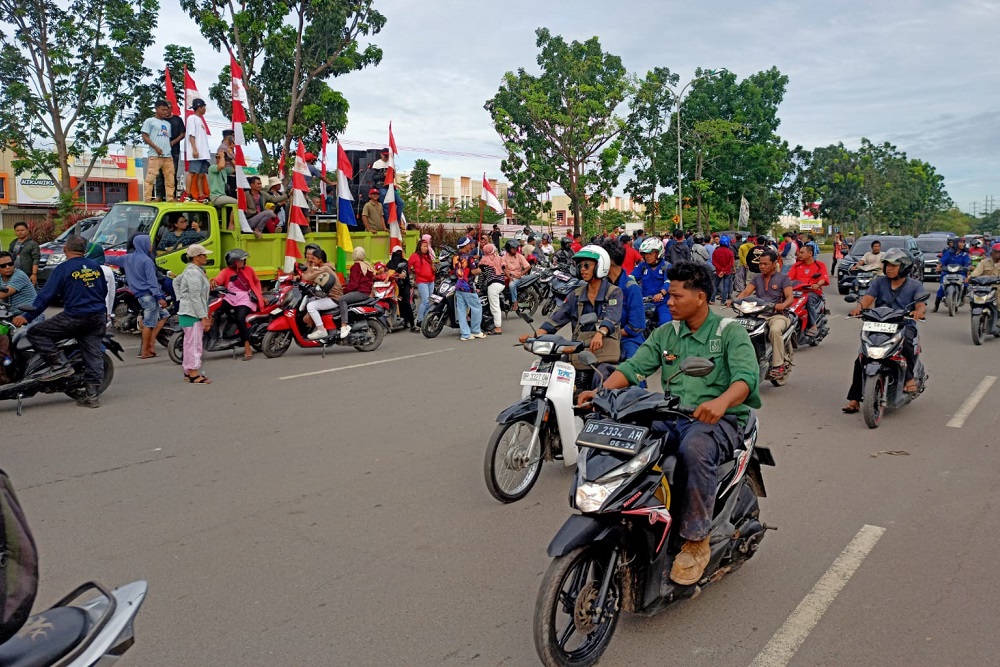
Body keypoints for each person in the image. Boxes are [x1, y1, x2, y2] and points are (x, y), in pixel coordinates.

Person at [578, 260, 760, 585]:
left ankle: (695, 539)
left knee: (694, 449)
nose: (669, 301)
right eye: (669, 295)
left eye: (676, 296)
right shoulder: (666, 333)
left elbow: (746, 378)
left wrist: (720, 402)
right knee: (627, 439)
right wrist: (601, 391)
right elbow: (634, 368)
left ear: (701, 297)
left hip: (720, 421)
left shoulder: (729, 332)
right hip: (672, 414)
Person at [12, 236, 108, 407]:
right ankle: (92, 397)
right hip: (97, 316)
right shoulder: (95, 266)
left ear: (65, 249)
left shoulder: (63, 269)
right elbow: (103, 290)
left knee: (36, 332)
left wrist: (26, 317)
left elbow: (45, 297)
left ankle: (60, 365)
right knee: (93, 354)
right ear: (84, 250)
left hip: (75, 317)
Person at [842, 248, 926, 413]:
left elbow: (921, 304)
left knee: (907, 342)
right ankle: (854, 399)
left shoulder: (915, 285)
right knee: (862, 357)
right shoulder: (879, 282)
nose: (889, 268)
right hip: (878, 323)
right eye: (887, 265)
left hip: (903, 325)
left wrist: (918, 312)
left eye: (894, 265)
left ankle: (908, 377)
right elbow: (868, 298)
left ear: (904, 267)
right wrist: (858, 308)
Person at [521, 245, 623, 368]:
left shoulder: (614, 292)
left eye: (586, 265)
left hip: (603, 353)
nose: (582, 270)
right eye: (580, 266)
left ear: (600, 266)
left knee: (602, 378)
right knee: (553, 369)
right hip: (579, 350)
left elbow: (612, 316)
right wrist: (534, 336)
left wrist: (600, 333)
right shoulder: (575, 295)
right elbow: (556, 319)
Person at [106, 234, 168, 359]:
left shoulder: (127, 258)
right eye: (149, 243)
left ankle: (151, 344)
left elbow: (109, 259)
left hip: (139, 296)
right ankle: (145, 352)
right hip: (149, 296)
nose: (151, 245)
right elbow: (152, 282)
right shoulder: (147, 261)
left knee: (164, 315)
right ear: (143, 244)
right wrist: (160, 297)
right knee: (149, 324)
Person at [735, 250, 794, 377]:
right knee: (735, 328)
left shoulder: (783, 279)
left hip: (778, 315)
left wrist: (782, 305)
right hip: (757, 314)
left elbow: (790, 297)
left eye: (765, 264)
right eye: (760, 264)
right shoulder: (756, 278)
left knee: (774, 330)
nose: (762, 266)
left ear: (774, 264)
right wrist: (735, 301)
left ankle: (778, 365)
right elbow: (745, 293)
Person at [211, 249, 264, 359]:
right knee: (216, 312)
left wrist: (259, 294)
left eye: (243, 260)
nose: (244, 261)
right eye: (241, 260)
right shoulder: (225, 272)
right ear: (233, 262)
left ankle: (247, 345)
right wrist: (213, 282)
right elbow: (217, 280)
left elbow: (256, 282)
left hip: (245, 298)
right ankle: (217, 337)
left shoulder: (249, 270)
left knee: (240, 318)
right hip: (230, 297)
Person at [173, 244, 213, 384]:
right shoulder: (193, 273)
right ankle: (194, 373)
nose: (206, 257)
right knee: (194, 344)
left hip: (189, 311)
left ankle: (188, 371)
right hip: (193, 313)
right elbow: (196, 297)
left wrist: (181, 299)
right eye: (204, 255)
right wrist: (204, 317)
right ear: (197, 257)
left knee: (189, 343)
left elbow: (175, 282)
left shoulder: (191, 270)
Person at [601, 239, 645, 360]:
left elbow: (636, 326)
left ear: (609, 262)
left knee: (631, 371)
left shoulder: (631, 288)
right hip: (605, 336)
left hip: (628, 340)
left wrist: (607, 333)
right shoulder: (602, 285)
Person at [786, 244, 830, 335]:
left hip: (813, 292)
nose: (799, 255)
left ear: (810, 253)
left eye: (802, 253)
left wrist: (817, 284)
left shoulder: (819, 265)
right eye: (799, 253)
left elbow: (823, 278)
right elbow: (788, 278)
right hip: (797, 292)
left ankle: (813, 326)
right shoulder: (796, 265)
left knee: (809, 299)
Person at [302, 247, 345, 340]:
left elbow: (308, 277)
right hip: (328, 296)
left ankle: (321, 330)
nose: (311, 261)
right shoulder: (324, 267)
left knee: (311, 306)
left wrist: (298, 275)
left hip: (334, 298)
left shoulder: (325, 268)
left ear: (320, 259)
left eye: (313, 259)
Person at [336, 246, 376, 339]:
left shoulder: (356, 267)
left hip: (361, 292)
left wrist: (343, 291)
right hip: (365, 292)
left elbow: (354, 284)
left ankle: (344, 325)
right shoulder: (366, 265)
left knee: (342, 300)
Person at [631, 236, 672, 327]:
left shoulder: (666, 266)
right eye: (645, 254)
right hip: (645, 303)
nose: (647, 256)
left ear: (658, 253)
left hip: (662, 303)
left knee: (666, 322)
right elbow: (631, 278)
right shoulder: (642, 266)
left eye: (650, 253)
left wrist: (661, 293)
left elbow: (668, 282)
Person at [141, 100, 176, 202]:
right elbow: (145, 136)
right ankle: (147, 197)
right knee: (151, 176)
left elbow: (167, 138)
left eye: (167, 110)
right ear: (156, 109)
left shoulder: (167, 124)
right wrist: (156, 147)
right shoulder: (149, 121)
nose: (165, 112)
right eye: (163, 110)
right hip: (155, 154)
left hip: (167, 155)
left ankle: (170, 197)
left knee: (170, 177)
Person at [451, 237, 484, 341]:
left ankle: (465, 334)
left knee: (461, 310)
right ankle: (476, 330)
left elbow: (454, 270)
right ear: (466, 245)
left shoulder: (455, 257)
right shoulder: (469, 257)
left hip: (458, 285)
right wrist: (479, 269)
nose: (472, 245)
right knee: (477, 307)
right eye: (470, 244)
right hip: (468, 286)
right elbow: (473, 272)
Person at [184, 98, 211, 202]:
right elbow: (191, 134)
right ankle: (188, 194)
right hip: (197, 153)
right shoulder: (192, 118)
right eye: (204, 107)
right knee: (192, 172)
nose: (205, 109)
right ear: (199, 107)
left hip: (203, 153)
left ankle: (201, 194)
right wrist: (194, 149)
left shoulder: (200, 120)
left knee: (201, 174)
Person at [934, 237, 971, 311]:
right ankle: (936, 306)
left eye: (963, 242)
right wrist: (939, 266)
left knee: (965, 284)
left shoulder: (964, 254)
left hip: (960, 273)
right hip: (947, 272)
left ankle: (961, 298)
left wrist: (968, 268)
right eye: (960, 242)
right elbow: (942, 261)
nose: (962, 244)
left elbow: (968, 263)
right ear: (956, 243)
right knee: (941, 289)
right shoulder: (948, 252)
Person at [386, 247, 417, 332]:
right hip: (393, 286)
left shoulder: (404, 262)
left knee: (406, 304)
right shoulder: (389, 263)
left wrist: (401, 275)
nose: (398, 254)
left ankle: (412, 324)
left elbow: (404, 272)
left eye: (400, 252)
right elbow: (386, 272)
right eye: (397, 252)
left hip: (404, 286)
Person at [408, 235, 436, 327]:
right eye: (424, 246)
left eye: (426, 246)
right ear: (419, 247)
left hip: (431, 280)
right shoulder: (415, 256)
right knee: (425, 301)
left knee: (429, 301)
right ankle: (420, 320)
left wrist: (433, 267)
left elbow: (433, 268)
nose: (425, 248)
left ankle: (425, 319)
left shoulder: (428, 256)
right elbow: (408, 266)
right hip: (422, 281)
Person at [479, 243, 506, 335]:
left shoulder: (484, 261)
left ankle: (498, 328)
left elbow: (482, 276)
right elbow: (503, 269)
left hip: (493, 284)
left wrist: (479, 286)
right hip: (502, 283)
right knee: (495, 305)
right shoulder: (499, 258)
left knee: (494, 307)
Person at [370, 148, 405, 220]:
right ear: (381, 155)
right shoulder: (377, 164)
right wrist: (383, 175)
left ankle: (397, 221)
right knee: (385, 203)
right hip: (381, 186)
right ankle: (388, 221)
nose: (386, 157)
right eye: (385, 155)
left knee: (401, 203)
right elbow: (373, 177)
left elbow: (394, 176)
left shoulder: (391, 163)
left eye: (387, 156)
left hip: (390, 186)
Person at [970, 242, 1000, 320]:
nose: (998, 254)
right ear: (992, 252)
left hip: (997, 287)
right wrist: (970, 277)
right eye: (997, 252)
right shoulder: (984, 262)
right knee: (972, 296)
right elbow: (976, 272)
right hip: (984, 287)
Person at [500, 239, 531, 310]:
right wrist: (509, 277)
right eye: (513, 248)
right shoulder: (504, 257)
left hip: (516, 277)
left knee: (512, 285)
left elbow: (528, 267)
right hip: (507, 276)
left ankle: (515, 302)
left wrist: (520, 275)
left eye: (516, 248)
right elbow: (504, 268)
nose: (515, 249)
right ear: (508, 248)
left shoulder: (520, 256)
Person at [8, 222, 40, 286]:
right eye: (18, 230)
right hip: (14, 274)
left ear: (27, 230)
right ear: (15, 232)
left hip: (27, 274)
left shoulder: (33, 244)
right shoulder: (13, 243)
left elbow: (36, 259)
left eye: (22, 230)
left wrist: (34, 274)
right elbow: (8, 258)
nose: (20, 232)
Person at [711, 235, 736, 305]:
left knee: (715, 285)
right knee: (726, 286)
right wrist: (724, 270)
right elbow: (731, 263)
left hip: (718, 271)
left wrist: (721, 270)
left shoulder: (716, 251)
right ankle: (723, 301)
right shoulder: (730, 252)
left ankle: (712, 300)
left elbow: (714, 261)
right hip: (727, 271)